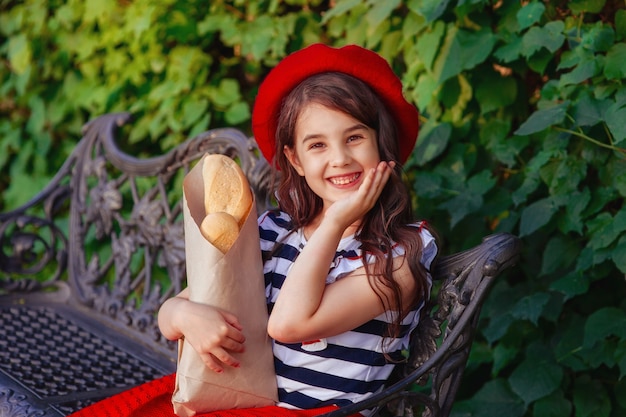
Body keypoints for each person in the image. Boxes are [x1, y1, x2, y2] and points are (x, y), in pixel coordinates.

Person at [69, 43, 437, 417]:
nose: (339, 158)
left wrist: (337, 221)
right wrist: (184, 316)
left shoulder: (400, 257)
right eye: (317, 145)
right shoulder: (275, 232)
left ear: (381, 143)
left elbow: (290, 324)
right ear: (295, 158)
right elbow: (173, 312)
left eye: (355, 137)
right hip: (238, 398)